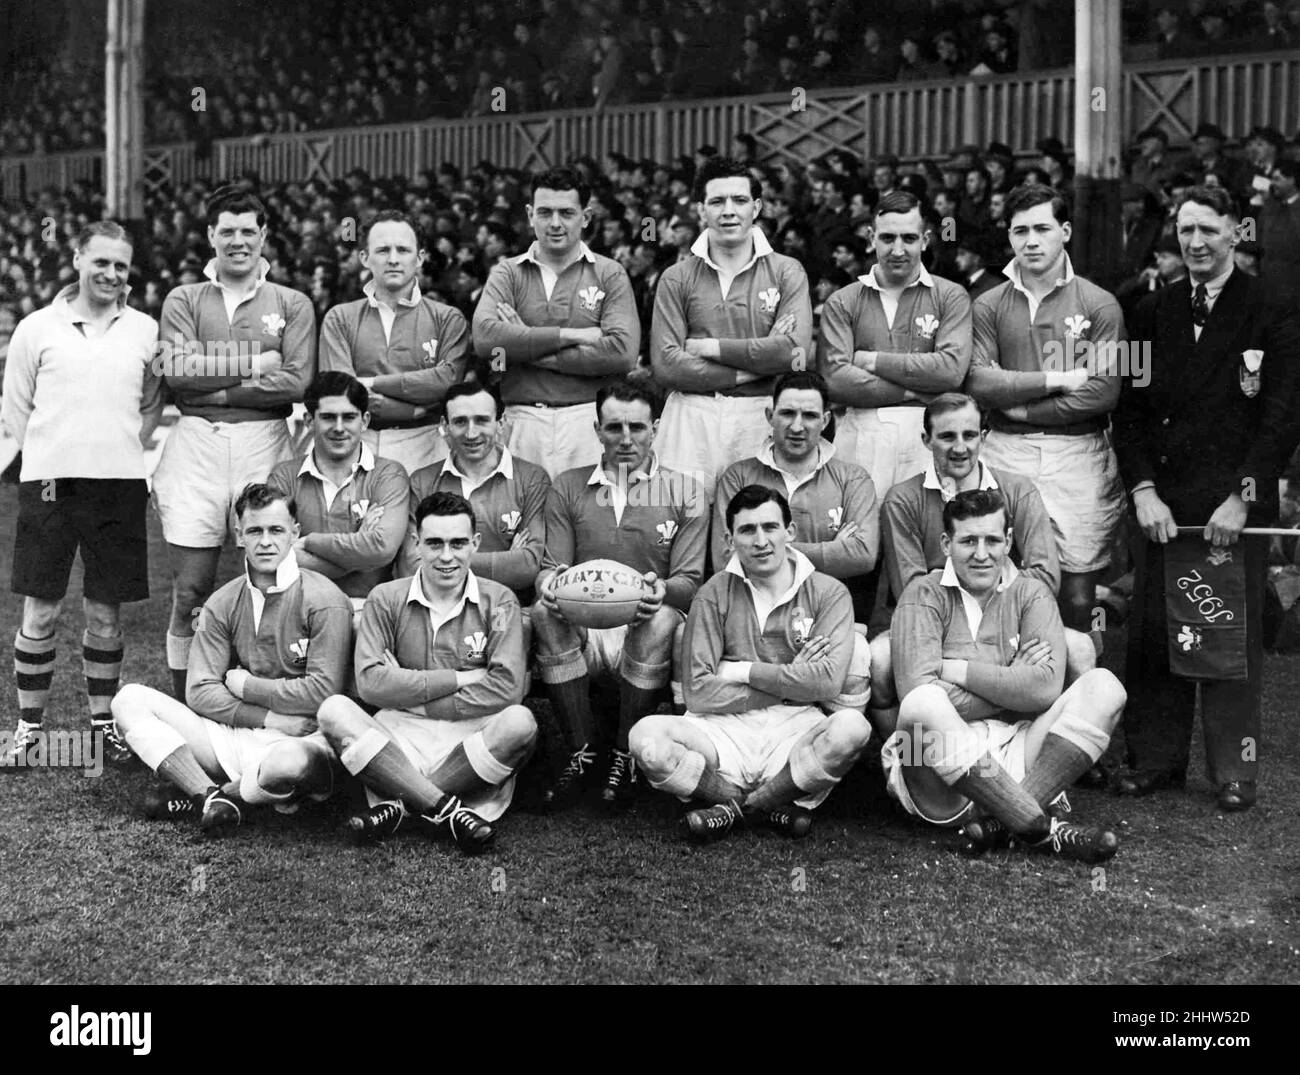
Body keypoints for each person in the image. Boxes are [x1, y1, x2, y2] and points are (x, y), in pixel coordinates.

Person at [1113, 185, 1300, 812]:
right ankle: (1157, 762)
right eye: (1186, 231)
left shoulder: (1273, 304)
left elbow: (1282, 414)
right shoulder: (1147, 312)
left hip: (1230, 502)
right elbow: (1131, 416)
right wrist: (1142, 491)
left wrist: (1243, 498)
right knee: (1155, 635)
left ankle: (1234, 770)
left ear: (1235, 233)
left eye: (1209, 231)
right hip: (1160, 503)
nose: (1195, 243)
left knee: (1228, 636)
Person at [886, 489, 1125, 862]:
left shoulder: (1031, 593)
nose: (981, 554)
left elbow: (1045, 689)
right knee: (922, 703)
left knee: (1105, 687)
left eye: (992, 540)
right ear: (947, 543)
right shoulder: (923, 593)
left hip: (1017, 755)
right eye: (968, 541)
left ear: (1009, 541)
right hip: (938, 774)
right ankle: (1040, 828)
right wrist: (1011, 680)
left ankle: (1005, 820)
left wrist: (954, 669)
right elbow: (917, 687)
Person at [1, 222, 161, 767]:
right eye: (102, 263)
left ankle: (102, 727)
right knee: (41, 608)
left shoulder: (145, 329)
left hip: (116, 486)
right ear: (77, 260)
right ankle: (27, 729)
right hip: (49, 484)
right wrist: (52, 455)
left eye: (121, 266)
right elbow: (16, 406)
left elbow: (151, 404)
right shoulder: (36, 328)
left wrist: (112, 451)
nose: (112, 275)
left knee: (105, 613)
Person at [629, 485, 871, 842]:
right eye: (747, 530)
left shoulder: (828, 591)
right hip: (721, 727)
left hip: (793, 728)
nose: (761, 541)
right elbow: (698, 694)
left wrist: (738, 670)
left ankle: (739, 808)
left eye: (770, 527)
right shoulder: (713, 592)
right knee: (645, 739)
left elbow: (827, 684)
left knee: (852, 728)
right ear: (729, 539)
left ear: (790, 532)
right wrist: (791, 685)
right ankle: (758, 805)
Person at [110, 484, 352, 834]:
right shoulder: (222, 601)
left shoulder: (325, 598)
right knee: (129, 699)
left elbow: (323, 692)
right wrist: (269, 718)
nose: (265, 541)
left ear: (295, 533)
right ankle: (208, 796)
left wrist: (247, 686)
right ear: (239, 535)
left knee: (290, 763)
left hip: (304, 737)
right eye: (255, 531)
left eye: (276, 530)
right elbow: (200, 691)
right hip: (241, 733)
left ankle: (226, 796)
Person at [152, 185, 316, 701]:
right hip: (196, 443)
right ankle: (187, 704)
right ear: (210, 236)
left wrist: (216, 383)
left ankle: (274, 695)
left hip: (266, 441)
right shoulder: (184, 298)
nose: (238, 241)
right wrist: (252, 364)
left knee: (273, 581)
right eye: (228, 231)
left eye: (249, 231)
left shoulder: (292, 302)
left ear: (264, 235)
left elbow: (295, 382)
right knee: (192, 590)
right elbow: (176, 372)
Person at [315, 492, 537, 853]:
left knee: (520, 722)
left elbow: (507, 688)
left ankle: (402, 806)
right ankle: (446, 809)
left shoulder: (500, 600)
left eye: (458, 543)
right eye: (434, 543)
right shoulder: (385, 598)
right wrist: (461, 678)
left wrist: (410, 692)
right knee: (334, 711)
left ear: (474, 544)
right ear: (417, 544)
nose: (446, 556)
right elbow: (371, 684)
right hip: (400, 737)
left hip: (473, 731)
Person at [533, 381, 707, 810]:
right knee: (541, 611)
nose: (625, 439)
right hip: (583, 627)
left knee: (665, 615)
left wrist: (662, 589)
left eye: (637, 427)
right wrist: (549, 587)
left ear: (656, 428)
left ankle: (624, 756)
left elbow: (690, 580)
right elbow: (551, 567)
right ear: (596, 429)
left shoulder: (686, 490)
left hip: (645, 625)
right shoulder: (568, 485)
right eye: (614, 428)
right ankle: (582, 750)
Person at [964, 184, 1126, 648]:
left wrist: (1017, 400)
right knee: (998, 576)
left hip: (1079, 452)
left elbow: (1101, 391)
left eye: (1042, 228)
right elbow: (978, 381)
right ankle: (1012, 693)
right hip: (1005, 449)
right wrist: (1057, 380)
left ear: (1065, 231)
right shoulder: (989, 304)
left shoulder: (1099, 303)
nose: (1030, 241)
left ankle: (1081, 697)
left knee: (1078, 591)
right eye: (1020, 231)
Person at [650, 156, 812, 491]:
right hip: (689, 417)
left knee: (754, 527)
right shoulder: (676, 277)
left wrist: (708, 348)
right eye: (716, 201)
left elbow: (793, 355)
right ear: (700, 210)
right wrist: (754, 366)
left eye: (739, 200)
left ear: (757, 207)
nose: (728, 211)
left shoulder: (787, 271)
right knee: (682, 527)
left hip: (759, 416)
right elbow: (667, 366)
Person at [472, 166, 639, 478]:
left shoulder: (609, 273)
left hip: (589, 418)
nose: (555, 223)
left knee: (589, 523)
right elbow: (485, 339)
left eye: (566, 213)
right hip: (522, 418)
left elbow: (621, 353)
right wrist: (573, 335)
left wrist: (526, 342)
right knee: (523, 523)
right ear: (530, 214)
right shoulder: (507, 273)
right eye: (545, 212)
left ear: (586, 218)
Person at [818, 190, 973, 497]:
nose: (898, 250)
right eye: (888, 238)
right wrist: (914, 390)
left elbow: (951, 372)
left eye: (909, 239)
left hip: (928, 438)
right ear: (871, 237)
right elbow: (835, 381)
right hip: (861, 437)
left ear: (926, 240)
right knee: (862, 536)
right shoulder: (843, 301)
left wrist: (872, 361)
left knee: (930, 537)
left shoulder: (951, 296)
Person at [317, 210, 470, 476]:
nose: (393, 259)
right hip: (355, 446)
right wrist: (415, 409)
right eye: (383, 250)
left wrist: (371, 383)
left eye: (403, 250)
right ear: (364, 258)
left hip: (426, 446)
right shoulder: (339, 317)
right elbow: (343, 394)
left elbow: (447, 384)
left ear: (420, 257)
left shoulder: (448, 318)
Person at [265, 372, 409, 620]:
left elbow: (381, 549)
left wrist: (308, 543)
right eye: (329, 418)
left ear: (364, 421)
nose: (339, 428)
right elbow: (274, 555)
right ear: (309, 420)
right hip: (299, 609)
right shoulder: (285, 477)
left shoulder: (389, 474)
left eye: (349, 417)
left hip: (369, 611)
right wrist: (359, 543)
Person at [402, 382, 550, 607]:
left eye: (481, 420)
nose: (471, 433)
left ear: (501, 423)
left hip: (507, 611)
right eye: (460, 422)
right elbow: (412, 565)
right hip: (436, 609)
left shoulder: (532, 478)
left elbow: (528, 566)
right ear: (445, 425)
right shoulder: (422, 481)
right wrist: (505, 560)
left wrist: (441, 560)